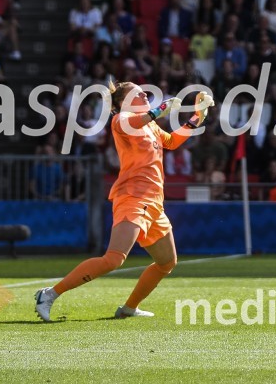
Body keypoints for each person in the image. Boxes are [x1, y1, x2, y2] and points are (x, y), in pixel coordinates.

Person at [35, 83, 212, 321]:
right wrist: (159, 109)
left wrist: (196, 117)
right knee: (114, 259)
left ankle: (129, 308)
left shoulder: (149, 124)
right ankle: (49, 294)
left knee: (166, 263)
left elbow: (171, 141)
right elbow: (134, 122)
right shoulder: (121, 118)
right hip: (133, 197)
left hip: (153, 203)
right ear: (124, 101)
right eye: (137, 92)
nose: (144, 94)